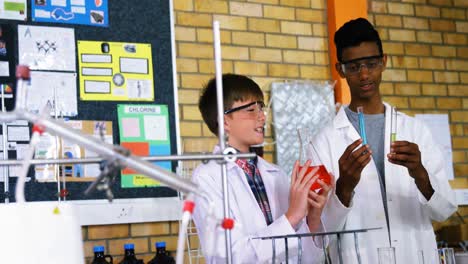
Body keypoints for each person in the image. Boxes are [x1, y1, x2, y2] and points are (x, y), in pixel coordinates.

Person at [307, 18, 458, 264]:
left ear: (384, 62)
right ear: (340, 69)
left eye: (371, 63)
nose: (364, 74)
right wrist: (344, 187)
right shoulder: (323, 142)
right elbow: (319, 233)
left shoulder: (415, 130)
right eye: (354, 67)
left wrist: (420, 174)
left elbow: (445, 210)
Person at [192, 74, 332, 263]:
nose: (262, 116)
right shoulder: (206, 178)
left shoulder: (275, 174)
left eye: (261, 107)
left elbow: (304, 257)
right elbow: (230, 258)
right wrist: (292, 216)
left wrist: (312, 218)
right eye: (251, 110)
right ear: (225, 121)